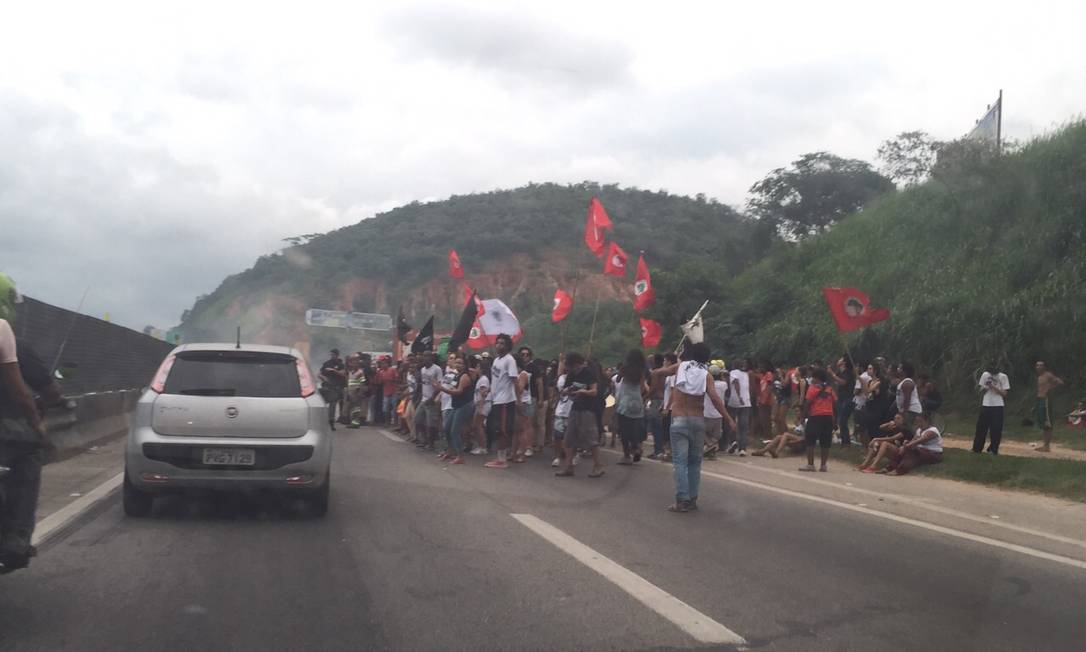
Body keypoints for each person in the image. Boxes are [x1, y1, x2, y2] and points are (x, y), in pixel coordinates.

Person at [1, 276, 59, 573]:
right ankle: (15, 539)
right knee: (29, 459)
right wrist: (39, 427)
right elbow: (27, 393)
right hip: (10, 431)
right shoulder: (10, 338)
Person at [659, 342, 735, 513]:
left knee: (680, 462)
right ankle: (692, 499)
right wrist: (729, 419)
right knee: (695, 463)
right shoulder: (706, 374)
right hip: (697, 421)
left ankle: (681, 500)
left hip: (679, 420)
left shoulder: (681, 367)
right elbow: (715, 399)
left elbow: (660, 372)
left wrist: (661, 372)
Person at [554, 352, 606, 478]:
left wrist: (584, 391)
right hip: (575, 407)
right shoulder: (571, 375)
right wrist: (566, 391)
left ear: (577, 364)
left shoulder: (588, 373)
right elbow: (565, 390)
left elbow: (594, 391)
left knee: (591, 438)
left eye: (572, 366)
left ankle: (598, 465)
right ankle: (568, 467)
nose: (571, 369)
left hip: (588, 409)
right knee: (568, 438)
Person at [485, 334, 520, 469]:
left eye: (502, 343)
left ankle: (502, 460)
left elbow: (515, 381)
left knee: (503, 430)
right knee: (497, 430)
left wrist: (518, 400)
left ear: (508, 346)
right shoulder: (496, 361)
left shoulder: (509, 360)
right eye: (497, 343)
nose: (499, 345)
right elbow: (495, 380)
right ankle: (499, 457)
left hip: (505, 401)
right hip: (496, 400)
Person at [435, 354, 474, 465]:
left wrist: (442, 389)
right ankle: (450, 451)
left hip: (463, 405)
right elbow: (452, 388)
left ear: (465, 365)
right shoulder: (457, 375)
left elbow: (458, 391)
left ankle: (460, 456)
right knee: (446, 429)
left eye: (460, 363)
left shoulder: (464, 376)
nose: (457, 365)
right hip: (455, 405)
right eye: (456, 362)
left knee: (454, 431)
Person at [614, 349, 648, 465]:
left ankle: (627, 455)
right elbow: (643, 387)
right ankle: (637, 447)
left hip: (624, 401)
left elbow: (617, 379)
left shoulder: (624, 369)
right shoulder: (641, 371)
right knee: (634, 429)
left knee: (624, 430)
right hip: (637, 401)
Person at [799, 367, 836, 472]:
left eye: (813, 377)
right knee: (825, 441)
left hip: (816, 416)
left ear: (817, 378)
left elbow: (808, 403)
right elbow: (834, 404)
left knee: (810, 440)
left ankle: (810, 464)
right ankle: (823, 465)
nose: (812, 379)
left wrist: (803, 416)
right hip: (828, 417)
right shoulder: (830, 389)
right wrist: (835, 420)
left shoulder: (812, 388)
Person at [973, 363, 1009, 455]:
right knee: (981, 428)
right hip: (986, 404)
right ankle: (977, 448)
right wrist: (986, 386)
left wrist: (993, 386)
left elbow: (1005, 394)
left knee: (996, 429)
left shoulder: (1003, 376)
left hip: (998, 405)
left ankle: (993, 449)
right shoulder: (985, 375)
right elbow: (980, 390)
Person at [518, 346, 547, 454]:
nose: (525, 356)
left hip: (531, 398)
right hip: (519, 398)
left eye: (527, 354)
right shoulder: (518, 367)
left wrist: (541, 398)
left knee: (528, 423)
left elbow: (539, 383)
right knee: (520, 424)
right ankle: (521, 446)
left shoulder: (534, 367)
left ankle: (529, 446)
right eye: (522, 354)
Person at [414, 352, 443, 449]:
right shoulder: (422, 369)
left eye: (427, 356)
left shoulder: (437, 369)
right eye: (424, 356)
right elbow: (423, 384)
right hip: (423, 398)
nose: (425, 358)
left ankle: (431, 443)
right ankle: (424, 439)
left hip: (432, 400)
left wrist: (432, 398)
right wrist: (420, 397)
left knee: (431, 423)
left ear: (431, 358)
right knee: (417, 419)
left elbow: (439, 386)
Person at [1034, 361, 1064, 452]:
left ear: (1044, 367)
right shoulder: (1039, 377)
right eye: (1037, 365)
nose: (1038, 367)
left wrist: (1050, 388)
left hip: (1046, 400)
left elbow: (1060, 382)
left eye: (1041, 365)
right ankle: (1045, 445)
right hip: (1040, 400)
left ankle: (1047, 446)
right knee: (1043, 423)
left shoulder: (1048, 375)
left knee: (1048, 423)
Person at [551, 354, 574, 468]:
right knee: (558, 436)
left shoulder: (577, 378)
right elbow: (558, 391)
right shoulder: (561, 378)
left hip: (572, 411)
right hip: (560, 410)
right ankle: (557, 456)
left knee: (570, 436)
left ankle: (572, 456)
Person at [828, 356, 856, 447]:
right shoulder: (840, 372)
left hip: (847, 398)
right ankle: (844, 441)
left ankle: (846, 443)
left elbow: (843, 382)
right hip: (841, 398)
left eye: (840, 359)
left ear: (844, 362)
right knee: (840, 420)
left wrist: (832, 373)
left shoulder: (847, 372)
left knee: (842, 421)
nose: (838, 360)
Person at [726, 359, 752, 455]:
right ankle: (743, 449)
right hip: (746, 402)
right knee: (743, 426)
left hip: (735, 401)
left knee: (732, 422)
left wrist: (739, 395)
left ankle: (733, 441)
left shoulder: (733, 373)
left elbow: (736, 383)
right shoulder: (746, 374)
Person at [512, 355, 535, 463]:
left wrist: (513, 381)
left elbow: (520, 389)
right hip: (515, 402)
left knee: (522, 430)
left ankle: (522, 453)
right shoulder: (515, 374)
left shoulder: (523, 374)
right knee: (516, 430)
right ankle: (513, 453)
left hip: (523, 403)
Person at [703, 362, 728, 460]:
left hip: (706, 412)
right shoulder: (723, 384)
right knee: (716, 435)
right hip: (719, 413)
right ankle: (711, 451)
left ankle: (709, 445)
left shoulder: (706, 384)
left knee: (702, 432)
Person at [467, 356, 492, 455]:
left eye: (478, 366)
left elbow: (483, 394)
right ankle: (481, 445)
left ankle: (483, 447)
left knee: (478, 426)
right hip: (480, 404)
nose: (476, 368)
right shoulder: (481, 379)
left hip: (483, 405)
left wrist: (480, 407)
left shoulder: (483, 380)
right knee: (477, 425)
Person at [318, 349, 346, 430]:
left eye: (333, 355)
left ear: (337, 355)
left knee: (333, 406)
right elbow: (319, 374)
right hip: (326, 386)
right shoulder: (327, 363)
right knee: (322, 404)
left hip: (336, 387)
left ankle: (331, 422)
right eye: (331, 355)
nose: (332, 356)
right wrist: (324, 378)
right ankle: (322, 422)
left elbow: (343, 374)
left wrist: (334, 370)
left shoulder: (340, 364)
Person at [895, 361, 923, 433]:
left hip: (911, 411)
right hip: (907, 410)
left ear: (905, 371)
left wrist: (903, 413)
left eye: (900, 368)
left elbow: (907, 399)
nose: (897, 369)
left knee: (909, 431)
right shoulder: (902, 382)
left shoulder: (907, 383)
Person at [377, 357, 399, 426]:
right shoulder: (381, 372)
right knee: (385, 408)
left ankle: (395, 422)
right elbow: (379, 382)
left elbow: (397, 378)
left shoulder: (392, 370)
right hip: (386, 392)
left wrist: (390, 380)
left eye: (384, 364)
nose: (383, 365)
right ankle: (387, 422)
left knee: (395, 408)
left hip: (394, 391)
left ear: (387, 364)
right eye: (382, 364)